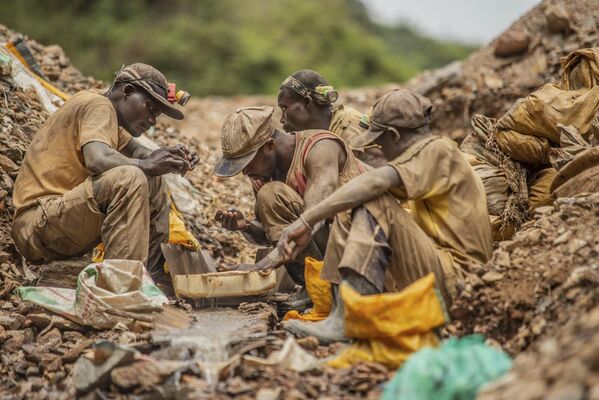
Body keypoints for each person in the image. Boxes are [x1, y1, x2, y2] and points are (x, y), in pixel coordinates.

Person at [276, 89, 493, 343]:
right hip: (441, 270)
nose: (380, 150)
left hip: (457, 280)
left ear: (394, 135)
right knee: (354, 197)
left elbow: (375, 182)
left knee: (372, 200)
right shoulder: (425, 159)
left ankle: (350, 318)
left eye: (380, 142)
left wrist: (306, 220)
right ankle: (342, 310)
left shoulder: (438, 151)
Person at [11, 63, 198, 290]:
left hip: (59, 224)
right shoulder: (98, 105)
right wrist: (147, 164)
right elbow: (97, 159)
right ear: (127, 92)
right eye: (149, 108)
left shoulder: (110, 121)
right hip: (37, 225)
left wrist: (171, 158)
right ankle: (122, 290)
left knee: (153, 176)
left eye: (156, 115)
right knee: (131, 177)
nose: (152, 120)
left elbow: (141, 153)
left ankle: (153, 278)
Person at [213, 106, 369, 312]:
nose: (245, 172)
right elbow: (275, 234)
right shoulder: (262, 175)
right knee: (269, 195)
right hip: (333, 250)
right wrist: (247, 227)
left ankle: (330, 289)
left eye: (247, 163)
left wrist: (262, 266)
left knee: (271, 194)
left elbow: (312, 220)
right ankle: (315, 288)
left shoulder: (320, 148)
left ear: (269, 145)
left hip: (365, 248)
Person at [277, 69, 385, 167]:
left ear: (307, 102)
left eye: (284, 108)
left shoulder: (347, 127)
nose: (282, 119)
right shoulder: (319, 134)